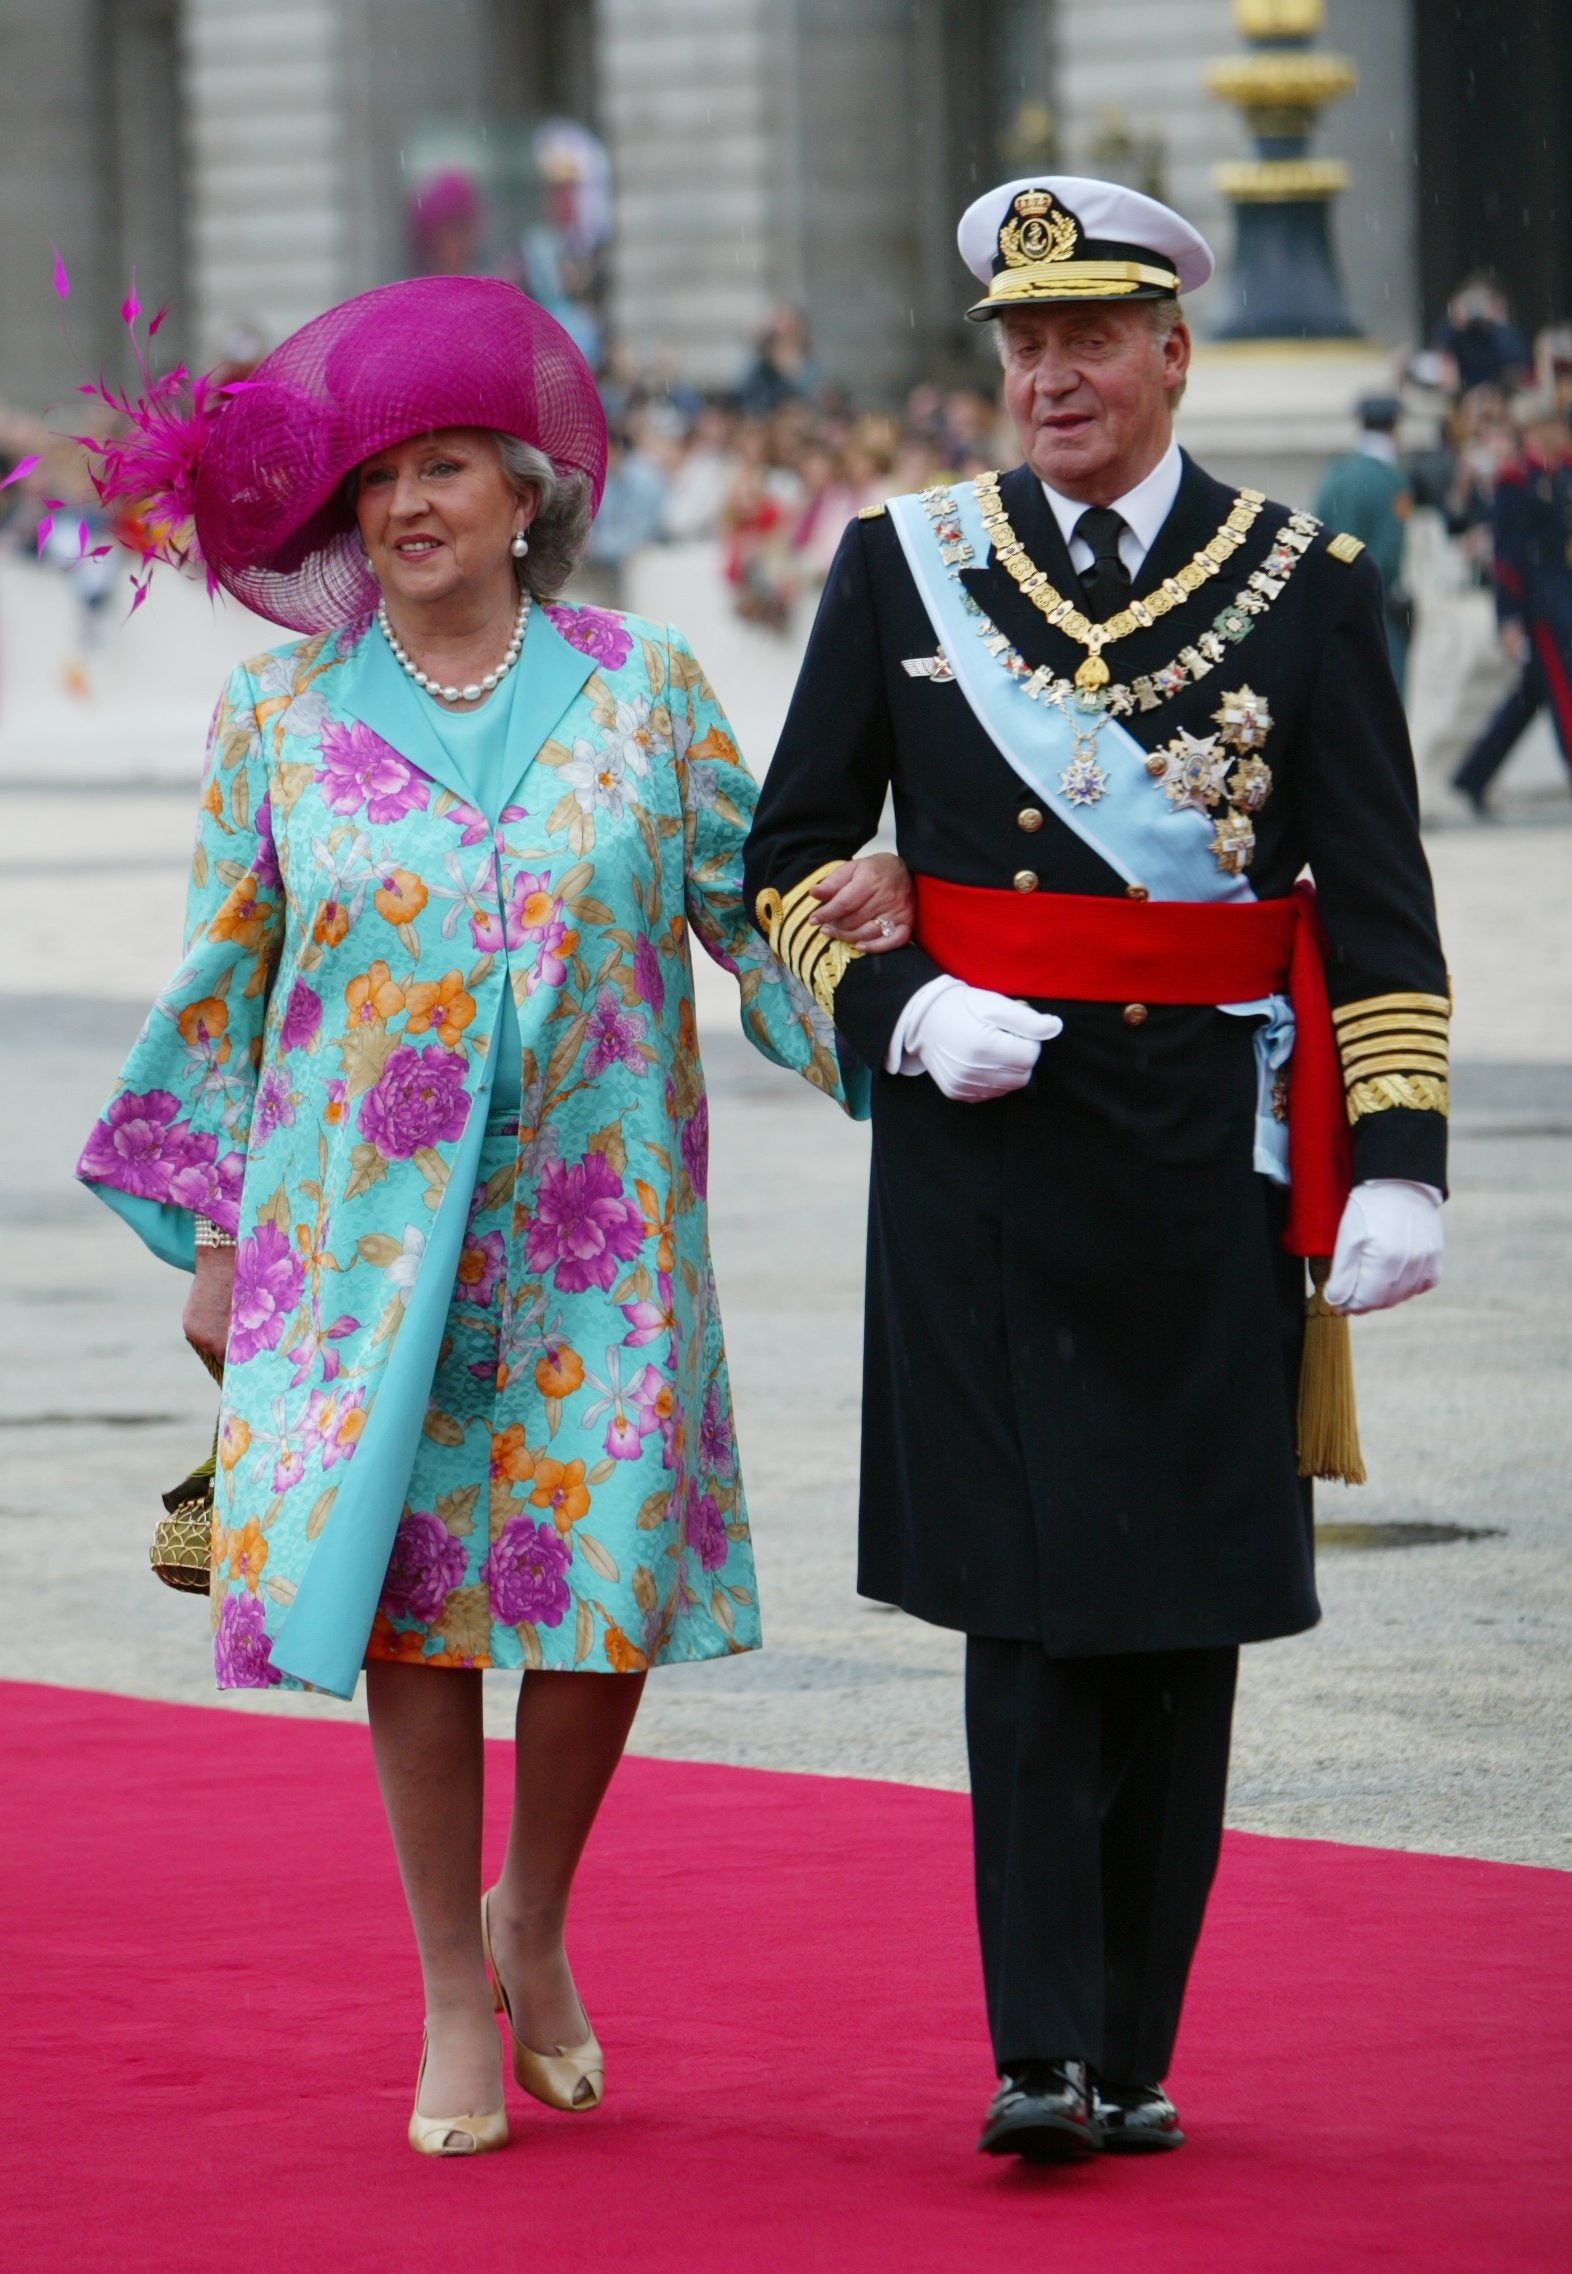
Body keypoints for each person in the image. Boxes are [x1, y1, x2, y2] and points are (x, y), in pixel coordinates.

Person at [73, 276, 912, 2159]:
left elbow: (736, 904)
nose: (405, 505)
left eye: (445, 465)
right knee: (414, 1613)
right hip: (361, 1245)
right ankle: (455, 1973)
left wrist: (873, 975)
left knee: (598, 1591)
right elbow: (230, 981)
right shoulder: (276, 715)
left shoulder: (646, 687)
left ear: (527, 491)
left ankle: (538, 1902)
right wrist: (212, 1232)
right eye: (377, 477)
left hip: (603, 1225)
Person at [745, 174, 1450, 2163]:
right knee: (1029, 1606)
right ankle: (1040, 2046)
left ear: (1170, 353)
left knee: (1186, 1605)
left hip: (1211, 1163)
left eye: (1087, 341)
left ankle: (1141, 2048)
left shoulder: (1304, 580)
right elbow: (786, 859)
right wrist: (897, 1015)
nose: (1051, 377)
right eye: (1023, 346)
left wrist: (1397, 1159)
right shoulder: (904, 566)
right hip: (987, 1150)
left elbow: (1377, 900)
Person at [1451, 390, 1572, 814]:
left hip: (1563, 591)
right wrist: (1510, 618)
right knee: (1563, 688)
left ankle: (1473, 775)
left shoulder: (1561, 472)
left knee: (1529, 697)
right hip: (1542, 603)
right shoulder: (1516, 480)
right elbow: (1507, 558)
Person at [1314, 395, 1413, 692]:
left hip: (1333, 599)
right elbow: (1390, 552)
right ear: (1394, 427)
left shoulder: (1336, 474)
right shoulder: (1392, 480)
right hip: (1375, 605)